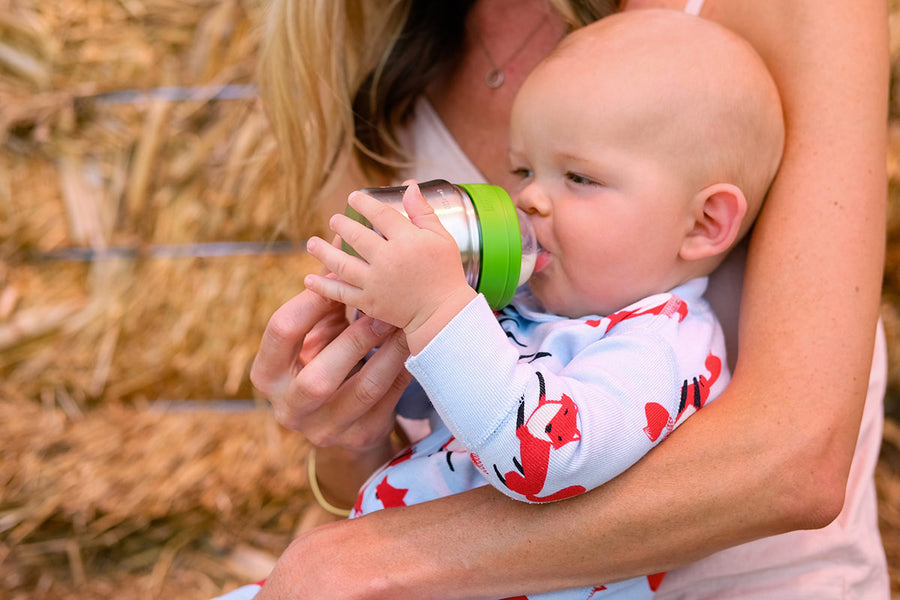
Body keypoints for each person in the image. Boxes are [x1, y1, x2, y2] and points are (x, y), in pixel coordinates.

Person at [243, 0, 890, 598]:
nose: (530, 199)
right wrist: (353, 408)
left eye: (578, 178)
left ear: (705, 224)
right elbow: (432, 436)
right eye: (522, 170)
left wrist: (439, 316)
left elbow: (542, 449)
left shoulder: (657, 345)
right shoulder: (358, 43)